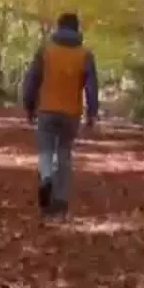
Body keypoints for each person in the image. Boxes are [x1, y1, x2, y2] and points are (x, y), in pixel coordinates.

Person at [21, 12, 99, 219]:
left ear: (58, 27)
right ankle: (61, 204)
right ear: (77, 29)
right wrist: (92, 113)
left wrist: (29, 106)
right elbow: (91, 87)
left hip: (46, 109)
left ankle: (46, 177)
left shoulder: (45, 51)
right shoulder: (85, 55)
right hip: (71, 113)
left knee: (46, 150)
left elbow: (32, 81)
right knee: (64, 154)